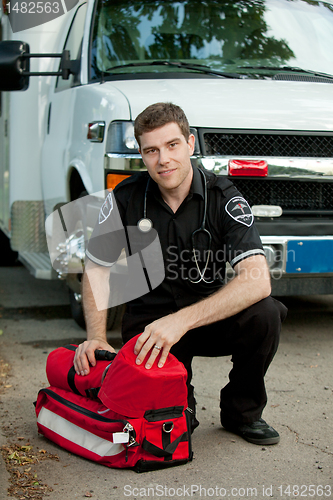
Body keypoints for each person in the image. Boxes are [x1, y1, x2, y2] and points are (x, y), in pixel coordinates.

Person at [74, 102, 287, 445]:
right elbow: (97, 268)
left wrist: (182, 320)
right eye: (151, 150)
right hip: (149, 330)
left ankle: (242, 412)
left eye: (172, 146)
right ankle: (180, 405)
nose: (163, 160)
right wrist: (97, 336)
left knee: (266, 313)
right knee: (169, 429)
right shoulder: (124, 198)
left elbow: (257, 278)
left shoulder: (224, 197)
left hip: (203, 318)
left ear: (190, 144)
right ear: (142, 155)